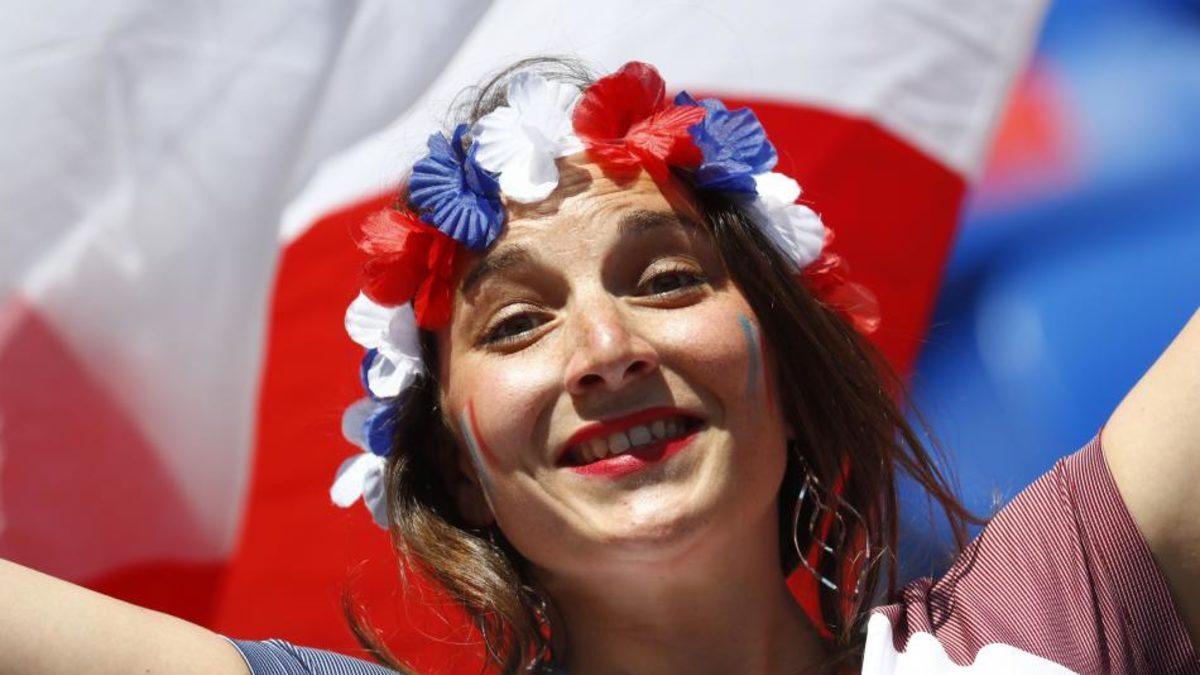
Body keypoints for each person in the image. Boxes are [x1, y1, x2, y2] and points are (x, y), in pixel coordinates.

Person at [1, 55, 1198, 675]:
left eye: (666, 282)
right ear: (459, 472)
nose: (607, 351)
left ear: (788, 374)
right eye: (518, 325)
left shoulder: (1051, 616)